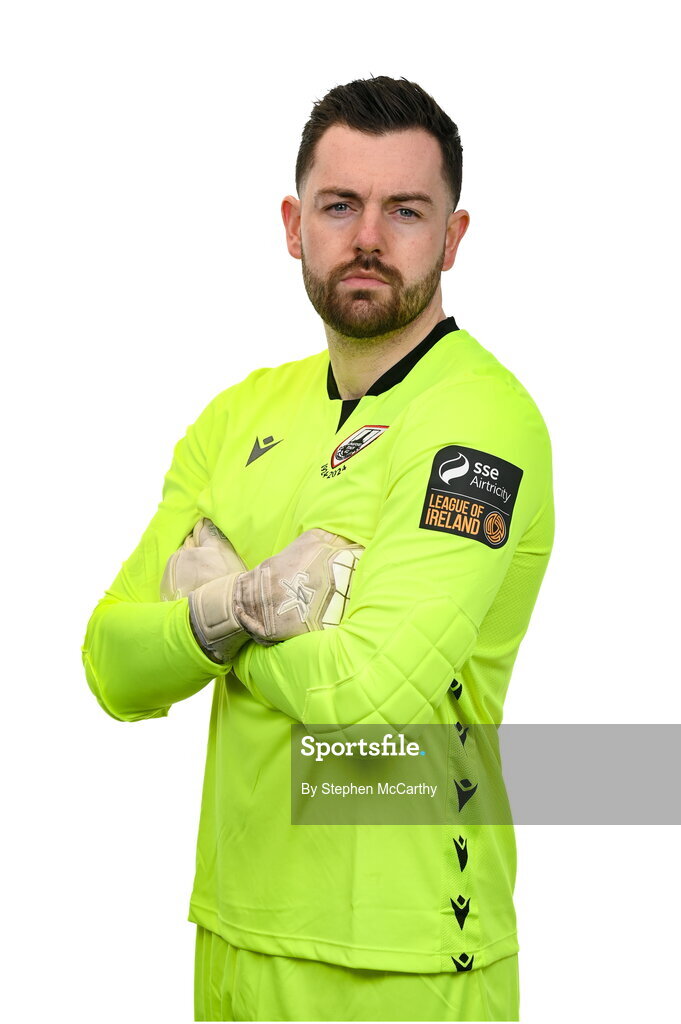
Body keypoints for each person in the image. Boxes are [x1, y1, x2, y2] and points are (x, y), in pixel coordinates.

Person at [82, 76, 554, 1022]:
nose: (368, 237)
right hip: (230, 935)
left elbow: (369, 691)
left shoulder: (478, 423)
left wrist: (210, 613)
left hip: (401, 958)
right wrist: (265, 605)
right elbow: (112, 666)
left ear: (452, 237)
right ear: (295, 225)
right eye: (341, 206)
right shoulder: (238, 415)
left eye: (405, 210)